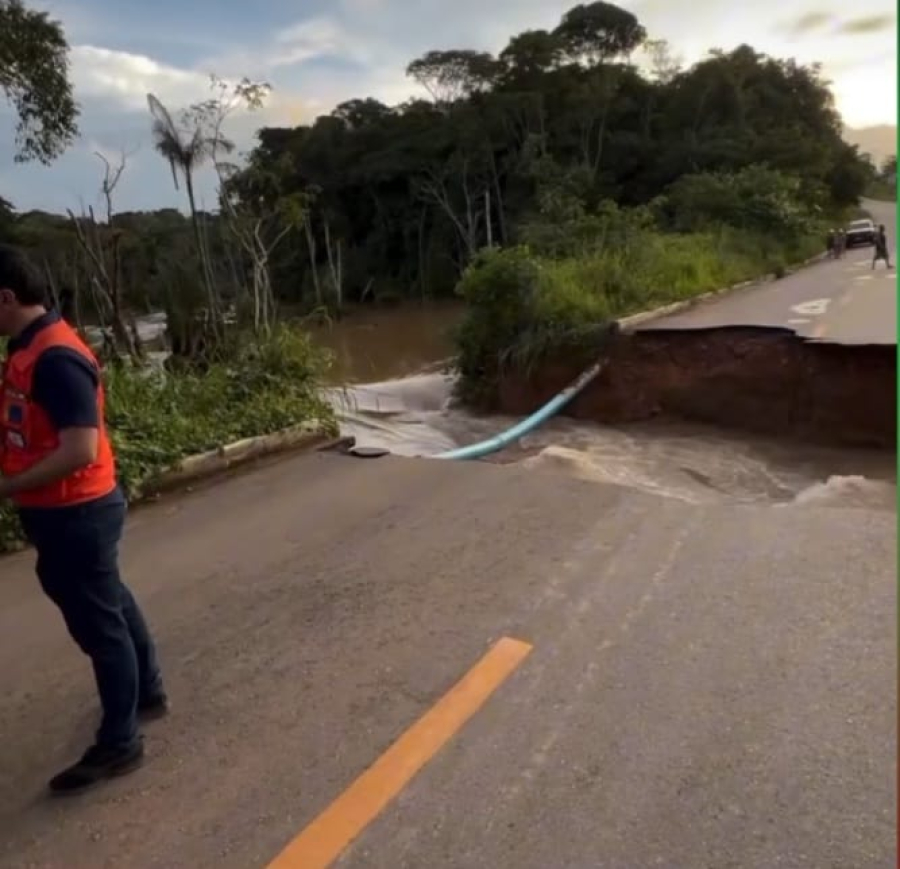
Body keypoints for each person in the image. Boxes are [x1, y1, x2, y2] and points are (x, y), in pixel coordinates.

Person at [0, 244, 166, 794]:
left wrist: (9, 486)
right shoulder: (29, 347)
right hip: (71, 510)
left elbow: (80, 448)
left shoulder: (54, 358)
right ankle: (147, 692)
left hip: (76, 510)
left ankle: (121, 743)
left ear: (6, 298)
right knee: (109, 599)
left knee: (99, 626)